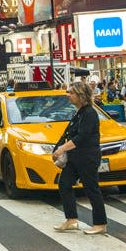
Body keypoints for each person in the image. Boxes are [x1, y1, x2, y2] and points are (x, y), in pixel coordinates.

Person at [52, 78, 108, 235]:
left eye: (71, 93)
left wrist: (62, 149)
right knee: (64, 184)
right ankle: (71, 219)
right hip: (75, 157)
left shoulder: (90, 113)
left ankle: (100, 223)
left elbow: (81, 137)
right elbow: (69, 133)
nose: (68, 95)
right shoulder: (79, 113)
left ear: (81, 95)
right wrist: (58, 149)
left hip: (87, 157)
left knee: (91, 189)